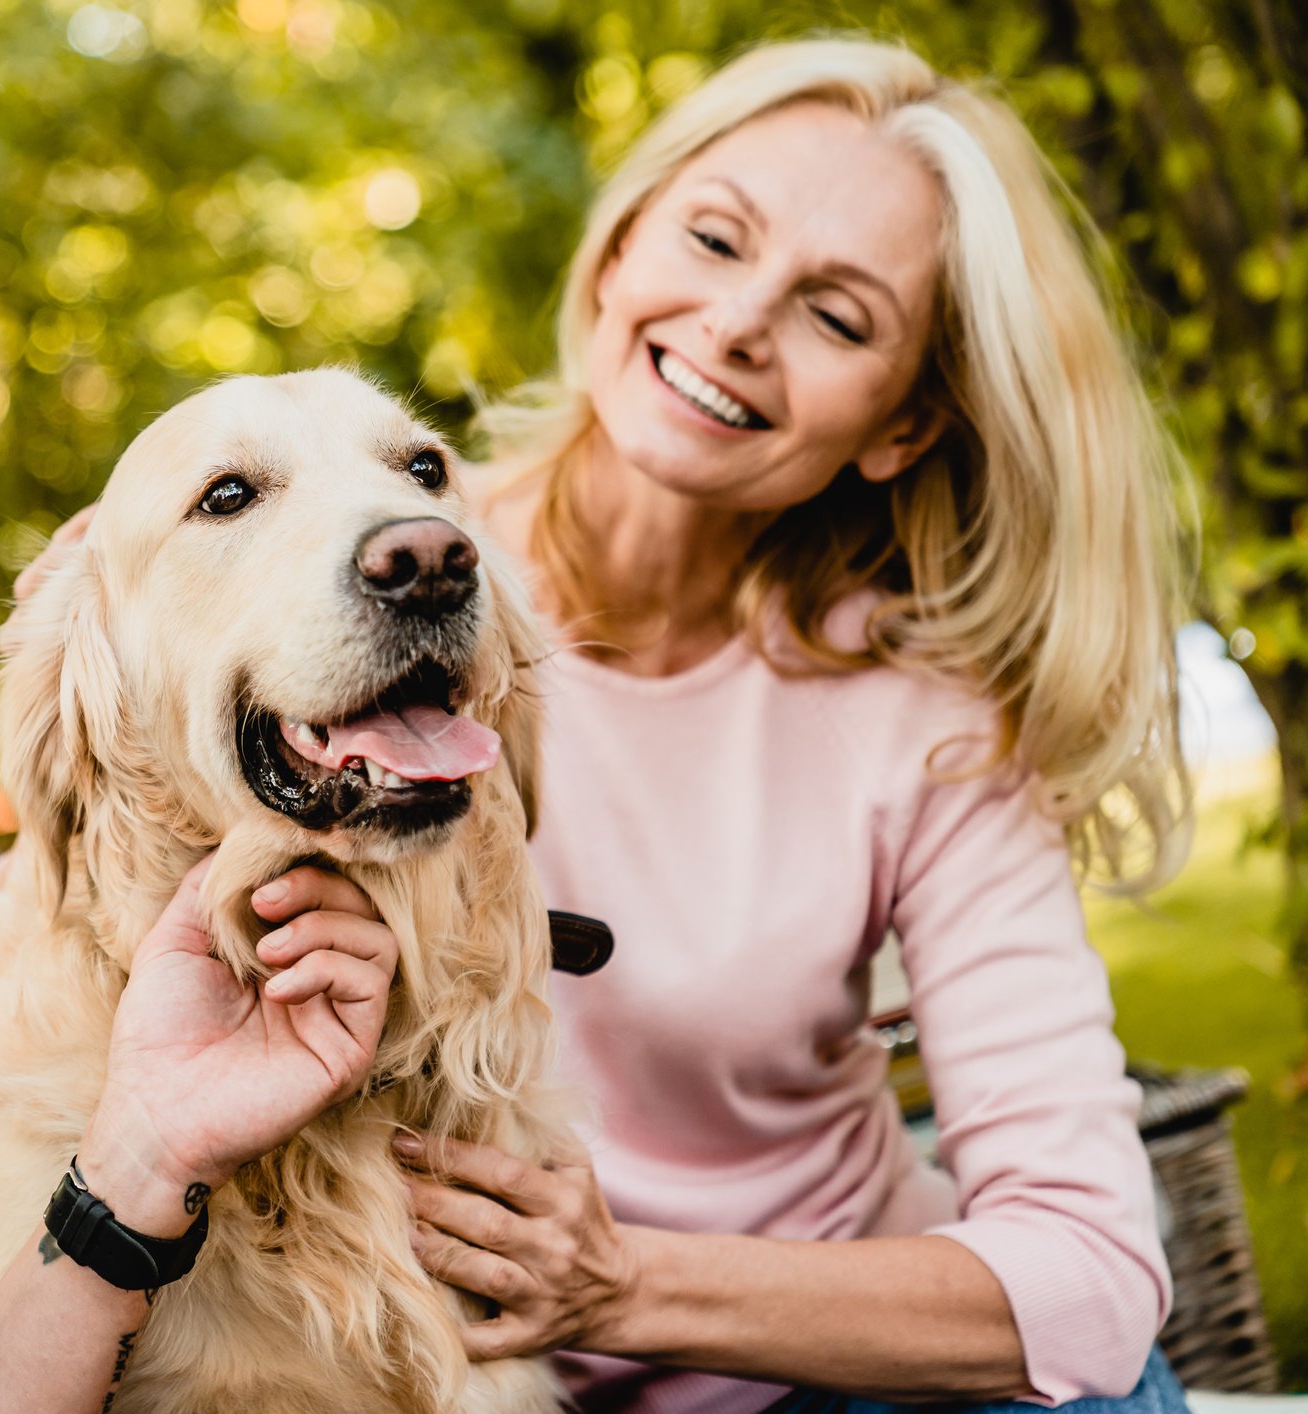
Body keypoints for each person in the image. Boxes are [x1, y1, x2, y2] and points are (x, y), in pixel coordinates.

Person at [391, 37, 1195, 1414]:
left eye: (838, 318)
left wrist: (624, 1282)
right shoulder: (381, 579)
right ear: (621, 244)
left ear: (901, 424)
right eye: (713, 238)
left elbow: (1091, 1275)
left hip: (821, 1377)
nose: (738, 322)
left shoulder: (929, 724)